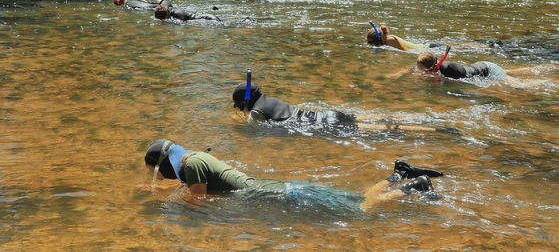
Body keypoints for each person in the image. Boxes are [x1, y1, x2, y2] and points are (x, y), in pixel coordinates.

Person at [144, 139, 443, 212]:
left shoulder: (193, 166)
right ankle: (399, 174)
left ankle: (414, 185)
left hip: (277, 195)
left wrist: (164, 204)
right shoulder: (195, 157)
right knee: (359, 199)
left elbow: (196, 202)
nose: (163, 179)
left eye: (159, 175)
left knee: (361, 209)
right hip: (278, 189)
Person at [232, 82, 447, 132]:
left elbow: (256, 129)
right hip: (327, 115)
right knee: (376, 120)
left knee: (389, 131)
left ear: (243, 103)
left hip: (326, 127)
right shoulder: (271, 99)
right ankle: (428, 122)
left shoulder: (257, 113)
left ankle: (436, 131)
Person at [417, 51, 507, 80]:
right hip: (480, 66)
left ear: (434, 67)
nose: (422, 73)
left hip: (490, 69)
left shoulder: (449, 69)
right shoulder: (438, 68)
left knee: (512, 84)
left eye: (425, 71)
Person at [367, 23, 439, 51]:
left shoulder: (391, 40)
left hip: (426, 48)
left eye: (374, 43)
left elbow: (406, 51)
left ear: (381, 39)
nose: (373, 45)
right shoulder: (384, 41)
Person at [154, 2, 221, 22]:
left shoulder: (176, 14)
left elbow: (181, 24)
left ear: (167, 14)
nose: (163, 20)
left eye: (162, 18)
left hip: (209, 19)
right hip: (209, 16)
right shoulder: (173, 12)